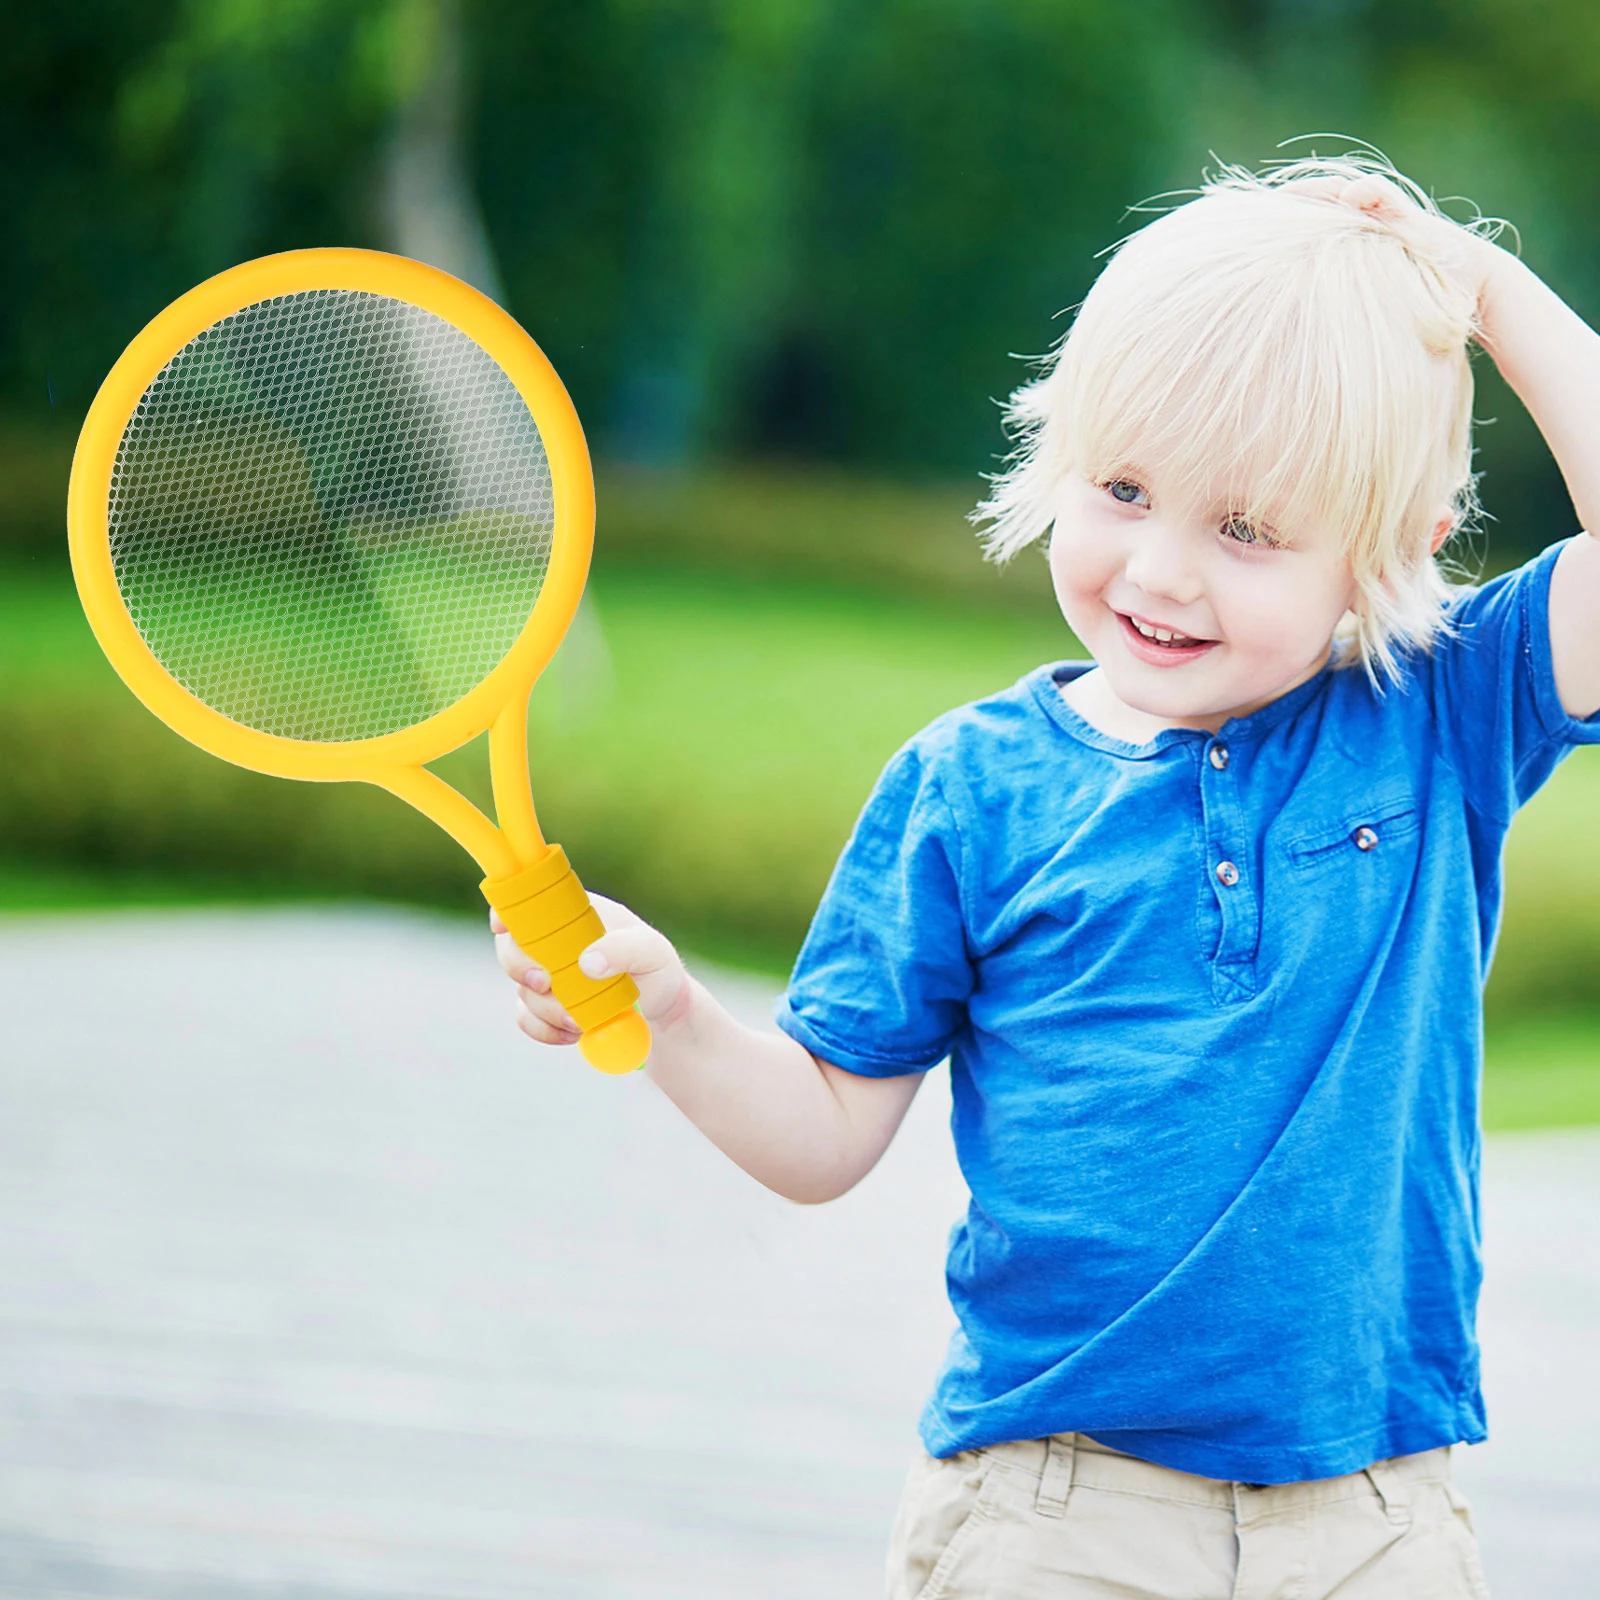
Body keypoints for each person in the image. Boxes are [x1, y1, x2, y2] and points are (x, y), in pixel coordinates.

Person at [495, 154, 1600, 1598]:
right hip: (1056, 1506)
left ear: (1396, 550)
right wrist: (680, 1020)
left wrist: (1489, 290)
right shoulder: (972, 789)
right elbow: (826, 1131)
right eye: (1125, 489)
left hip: (1373, 1512)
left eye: (1248, 530)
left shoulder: (1436, 717)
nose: (1161, 571)